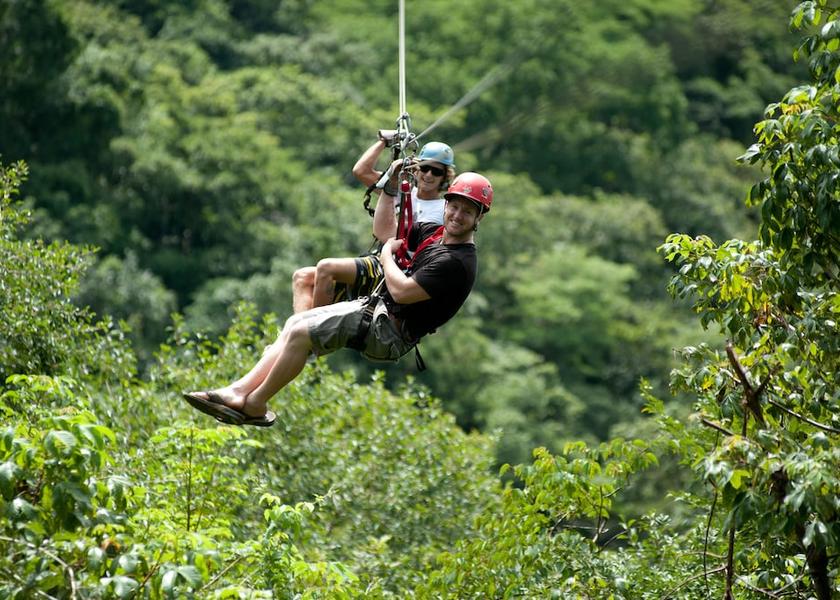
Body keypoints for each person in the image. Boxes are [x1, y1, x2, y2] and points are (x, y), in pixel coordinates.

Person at [182, 172, 493, 427]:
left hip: (389, 333)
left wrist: (387, 256)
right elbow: (385, 232)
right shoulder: (435, 235)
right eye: (454, 206)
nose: (457, 216)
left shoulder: (456, 262)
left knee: (301, 333)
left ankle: (256, 403)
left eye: (467, 211)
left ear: (479, 217)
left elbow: (402, 290)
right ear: (446, 204)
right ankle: (239, 391)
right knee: (295, 323)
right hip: (379, 310)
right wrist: (390, 188)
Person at [291, 135, 456, 313]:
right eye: (425, 168)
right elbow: (361, 171)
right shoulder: (402, 190)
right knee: (302, 277)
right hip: (380, 259)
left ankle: (314, 326)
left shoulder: (443, 210)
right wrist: (384, 142)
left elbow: (401, 237)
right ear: (416, 169)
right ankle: (300, 327)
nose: (429, 174)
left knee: (326, 268)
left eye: (436, 171)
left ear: (444, 177)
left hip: (398, 267)